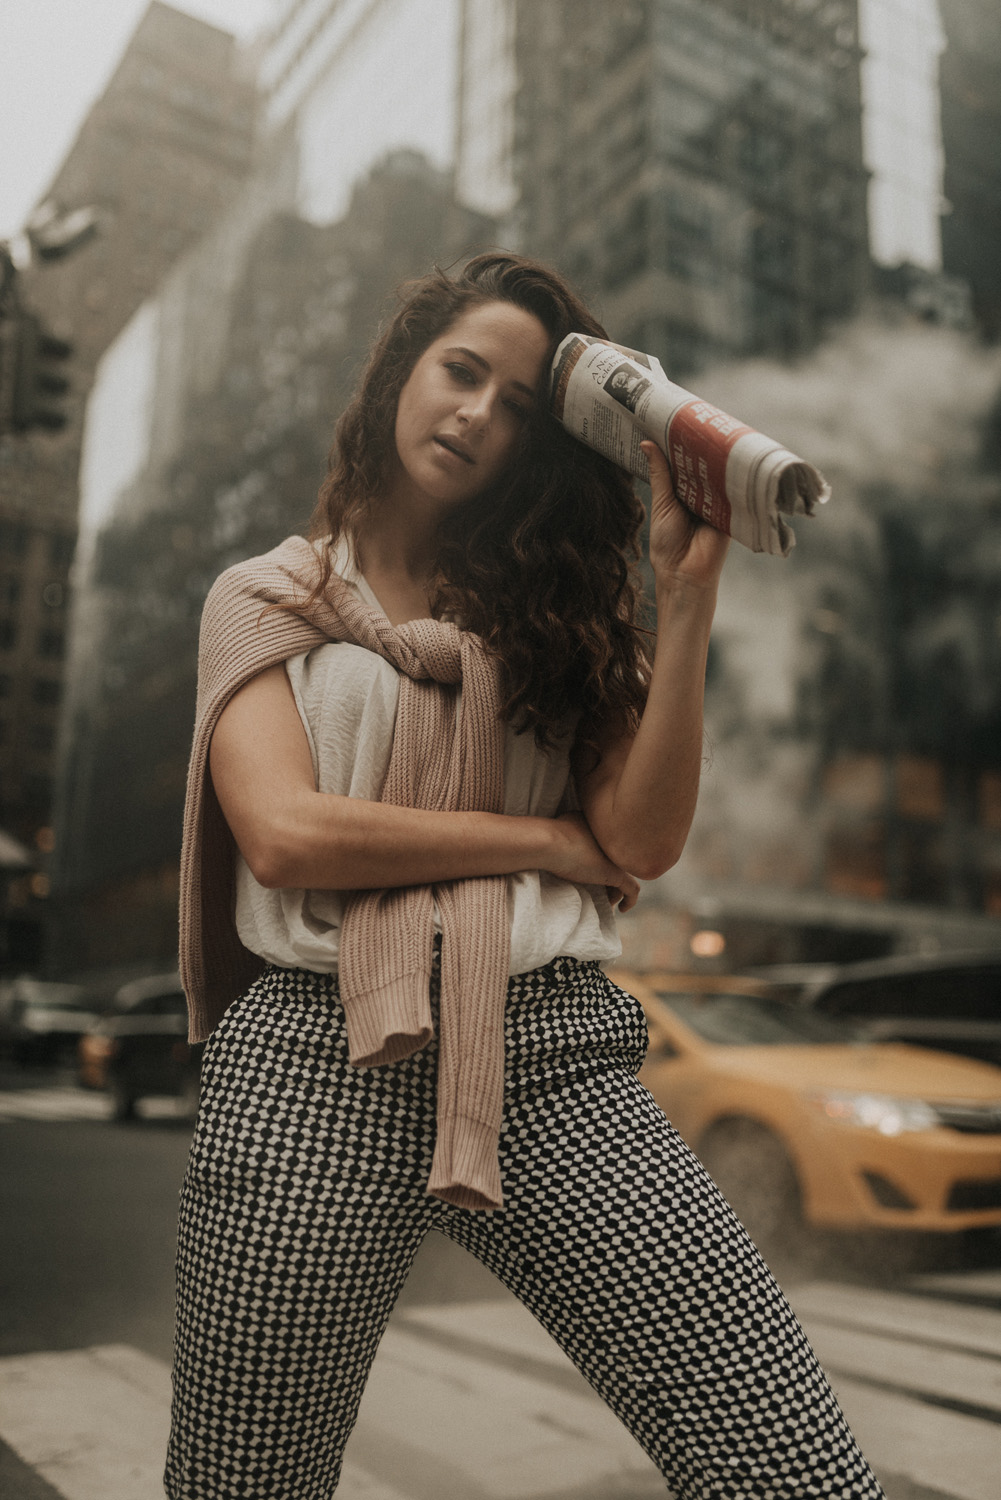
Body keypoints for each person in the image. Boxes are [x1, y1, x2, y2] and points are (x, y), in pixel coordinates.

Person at [165, 251, 885, 1500]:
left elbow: (643, 842)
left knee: (789, 1462)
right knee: (241, 1483)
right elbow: (287, 835)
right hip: (305, 1052)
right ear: (400, 369)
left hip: (546, 1047)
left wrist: (683, 599)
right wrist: (545, 843)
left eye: (513, 406)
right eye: (460, 373)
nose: (475, 416)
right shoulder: (266, 596)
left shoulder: (550, 620)